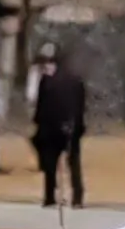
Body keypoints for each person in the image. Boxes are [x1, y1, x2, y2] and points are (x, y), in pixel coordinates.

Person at [32, 42, 87, 207]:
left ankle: (64, 196)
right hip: (61, 128)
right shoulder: (74, 79)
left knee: (66, 163)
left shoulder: (52, 81)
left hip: (60, 128)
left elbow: (42, 106)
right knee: (58, 163)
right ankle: (62, 196)